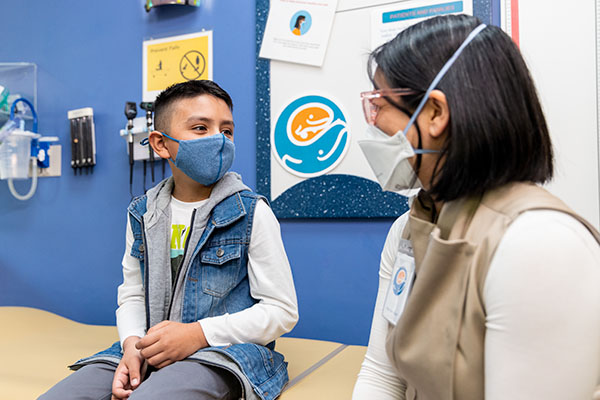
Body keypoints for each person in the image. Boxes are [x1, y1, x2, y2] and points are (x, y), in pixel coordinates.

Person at [353, 14, 600, 400]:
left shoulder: (539, 243)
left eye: (378, 104)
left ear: (435, 113)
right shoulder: (410, 226)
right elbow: (382, 376)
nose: (372, 123)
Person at [40, 80, 299, 400]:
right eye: (201, 128)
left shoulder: (251, 213)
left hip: (221, 355)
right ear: (161, 144)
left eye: (227, 131)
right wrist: (132, 344)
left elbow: (282, 311)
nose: (218, 140)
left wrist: (198, 334)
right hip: (151, 348)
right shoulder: (142, 213)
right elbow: (132, 294)